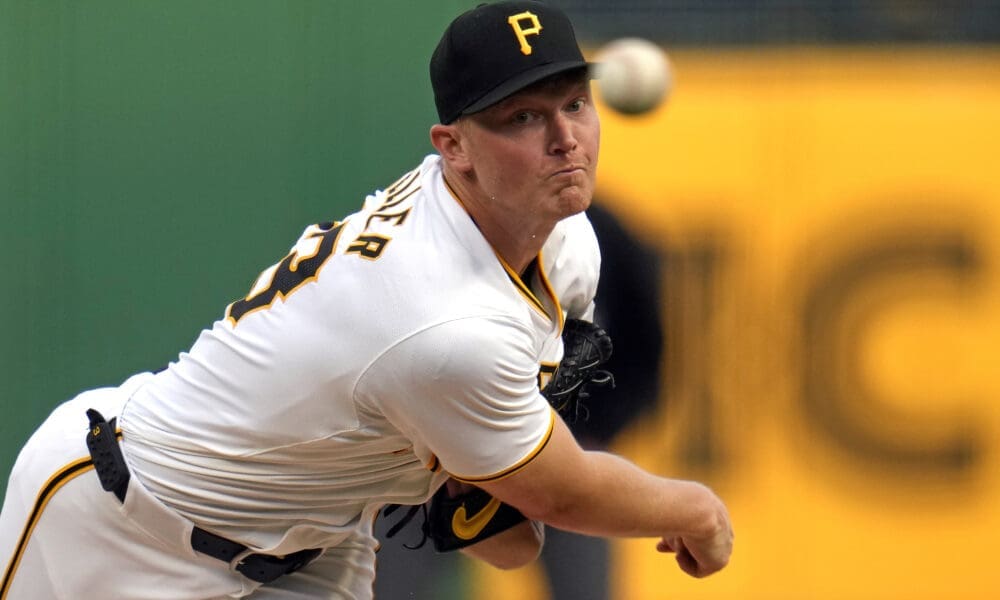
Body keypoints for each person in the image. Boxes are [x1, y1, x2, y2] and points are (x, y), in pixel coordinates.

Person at [0, 2, 733, 598]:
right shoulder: (443, 321)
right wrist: (692, 510)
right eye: (523, 118)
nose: (566, 138)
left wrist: (476, 468)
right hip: (121, 525)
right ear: (454, 147)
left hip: (310, 551)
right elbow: (559, 498)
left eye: (574, 103)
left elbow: (506, 533)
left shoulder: (560, 238)